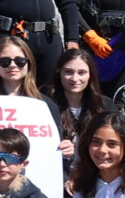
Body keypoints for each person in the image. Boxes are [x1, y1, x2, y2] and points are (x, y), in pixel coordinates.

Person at [45, 44, 106, 185]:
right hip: (57, 178)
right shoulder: (45, 104)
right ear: (59, 73)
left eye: (82, 72)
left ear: (91, 74)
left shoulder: (104, 106)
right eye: (68, 72)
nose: (74, 78)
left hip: (96, 176)